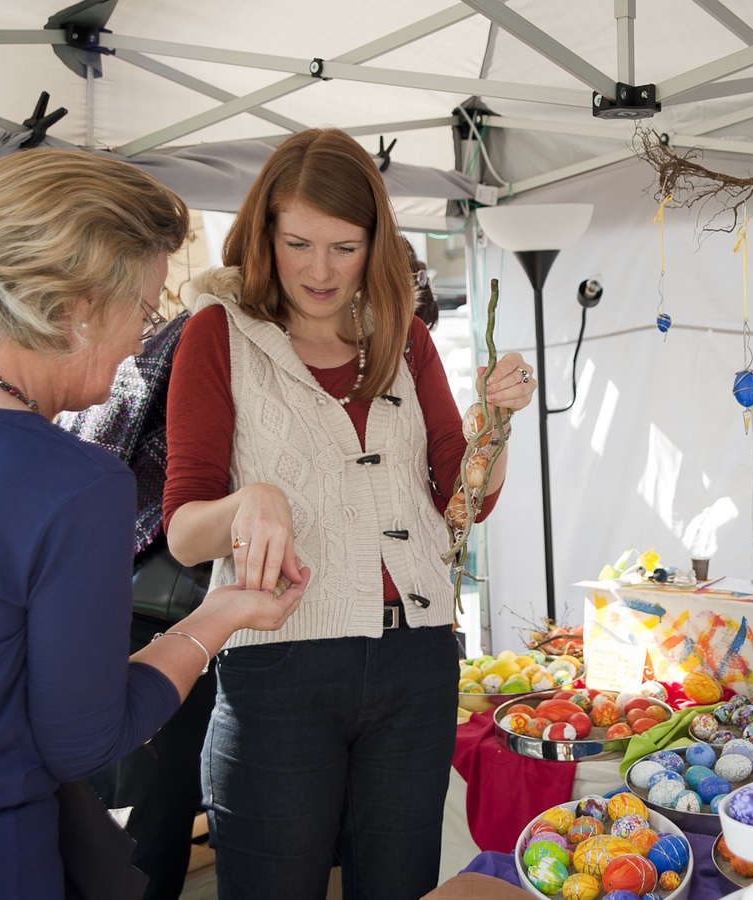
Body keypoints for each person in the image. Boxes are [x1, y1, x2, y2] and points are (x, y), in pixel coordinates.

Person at [0, 149, 307, 900]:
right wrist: (221, 613)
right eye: (142, 311)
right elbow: (84, 738)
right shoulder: (74, 485)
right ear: (76, 308)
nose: (144, 341)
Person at [163, 128, 536, 900]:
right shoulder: (216, 335)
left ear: (377, 244)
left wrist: (496, 426)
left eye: (345, 247)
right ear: (263, 236)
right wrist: (247, 502)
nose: (320, 271)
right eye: (299, 244)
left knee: (399, 886)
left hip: (417, 664)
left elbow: (462, 500)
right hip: (279, 667)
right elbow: (184, 531)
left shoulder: (407, 338)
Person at [59, 307, 217, 900]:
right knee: (148, 801)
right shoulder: (206, 333)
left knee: (126, 793)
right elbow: (114, 437)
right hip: (160, 601)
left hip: (121, 590)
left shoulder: (179, 330)